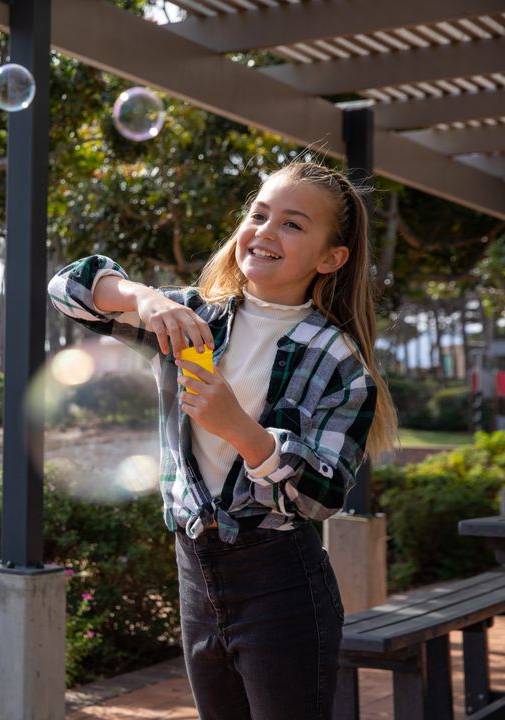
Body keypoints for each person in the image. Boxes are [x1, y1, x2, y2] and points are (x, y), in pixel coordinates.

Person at [47, 161, 398, 720]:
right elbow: (67, 289)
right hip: (195, 573)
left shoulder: (338, 361)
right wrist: (143, 297)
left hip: (281, 586)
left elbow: (324, 496)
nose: (265, 231)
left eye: (292, 224)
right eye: (259, 214)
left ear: (331, 259)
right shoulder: (190, 318)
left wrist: (241, 429)